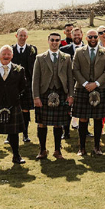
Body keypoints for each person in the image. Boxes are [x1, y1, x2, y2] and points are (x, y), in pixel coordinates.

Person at [31, 32, 73, 160]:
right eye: (52, 40)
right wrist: (36, 97)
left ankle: (57, 150)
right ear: (48, 41)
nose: (54, 42)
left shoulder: (66, 57)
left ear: (60, 42)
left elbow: (70, 79)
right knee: (42, 123)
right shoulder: (40, 58)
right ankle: (42, 150)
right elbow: (35, 79)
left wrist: (71, 95)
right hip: (44, 93)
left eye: (57, 40)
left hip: (61, 93)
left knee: (58, 123)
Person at [71, 29, 105, 156]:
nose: (93, 39)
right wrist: (85, 84)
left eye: (95, 36)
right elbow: (75, 69)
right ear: (86, 38)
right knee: (83, 118)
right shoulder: (79, 52)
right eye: (90, 37)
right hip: (82, 89)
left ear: (98, 38)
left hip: (99, 88)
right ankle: (81, 148)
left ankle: (97, 147)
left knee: (98, 118)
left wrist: (96, 84)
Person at [11, 28, 37, 143]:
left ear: (27, 37)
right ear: (16, 36)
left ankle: (25, 134)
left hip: (28, 84)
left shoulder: (32, 49)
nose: (22, 37)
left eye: (24, 35)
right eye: (20, 35)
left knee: (26, 110)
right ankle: (10, 134)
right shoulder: (10, 49)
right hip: (13, 84)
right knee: (12, 109)